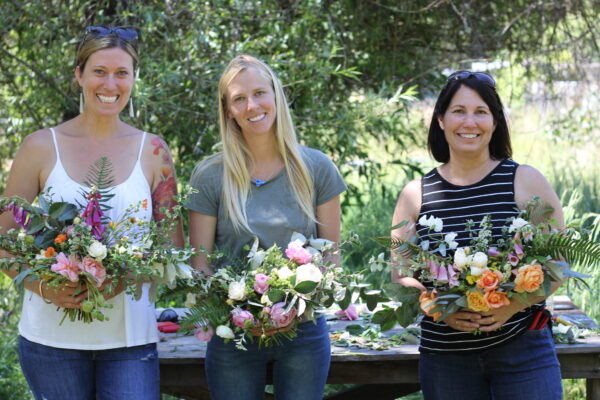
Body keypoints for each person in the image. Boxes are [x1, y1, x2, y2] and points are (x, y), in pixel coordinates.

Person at [0, 26, 183, 400]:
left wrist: (124, 275)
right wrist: (42, 285)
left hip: (129, 340)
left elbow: (173, 247)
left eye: (122, 73)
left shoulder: (154, 152)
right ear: (79, 75)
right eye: (99, 71)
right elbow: (3, 241)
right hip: (50, 341)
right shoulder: (39, 147)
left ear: (133, 78)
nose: (110, 83)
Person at [391, 70, 564, 399]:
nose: (469, 122)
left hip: (524, 352)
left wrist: (511, 306)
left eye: (481, 112)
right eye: (458, 111)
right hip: (446, 361)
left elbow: (559, 261)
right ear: (441, 120)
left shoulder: (526, 181)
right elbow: (400, 276)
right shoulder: (415, 195)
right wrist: (442, 309)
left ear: (495, 122)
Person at [185, 55, 347, 400]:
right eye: (239, 99)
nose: (252, 106)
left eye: (260, 93)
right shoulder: (210, 175)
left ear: (276, 96)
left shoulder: (315, 168)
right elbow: (200, 265)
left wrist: (296, 306)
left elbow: (332, 258)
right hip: (233, 335)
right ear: (228, 110)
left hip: (303, 334)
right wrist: (239, 312)